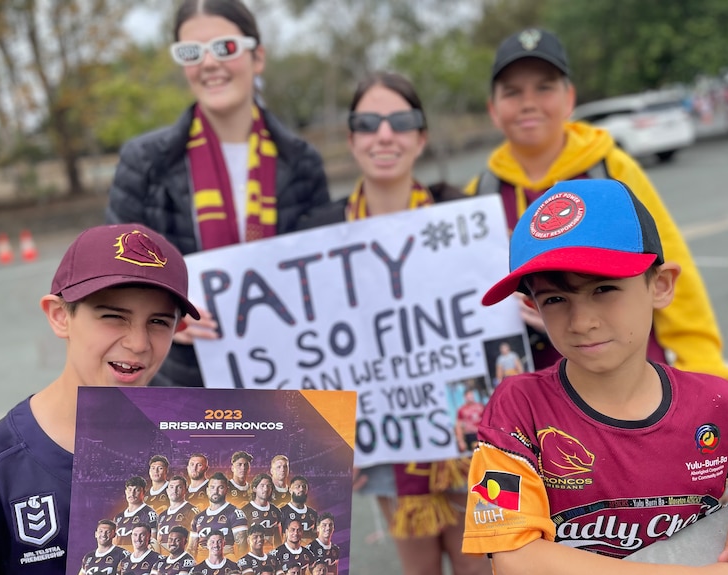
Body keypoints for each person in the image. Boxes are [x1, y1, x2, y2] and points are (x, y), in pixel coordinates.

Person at [462, 178, 728, 574]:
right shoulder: (518, 410)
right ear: (532, 306)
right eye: (556, 299)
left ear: (660, 286)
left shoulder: (715, 403)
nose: (582, 322)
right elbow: (515, 558)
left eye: (604, 289)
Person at [297, 71, 490, 575]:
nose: (385, 134)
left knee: (479, 565)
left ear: (421, 136)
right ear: (351, 138)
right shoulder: (316, 234)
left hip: (467, 429)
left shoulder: (463, 215)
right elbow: (298, 346)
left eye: (401, 121)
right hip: (379, 435)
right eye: (368, 122)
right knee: (419, 566)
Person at [465, 28, 728, 381]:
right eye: (512, 92)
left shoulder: (611, 169)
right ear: (492, 109)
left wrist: (704, 369)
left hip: (631, 383)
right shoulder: (479, 193)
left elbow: (669, 264)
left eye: (544, 87)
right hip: (538, 396)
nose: (528, 102)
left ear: (569, 98)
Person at [105, 0, 329, 388]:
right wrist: (163, 316)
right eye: (191, 52)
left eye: (225, 47)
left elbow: (325, 277)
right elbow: (116, 277)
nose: (209, 63)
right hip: (178, 380)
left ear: (257, 57)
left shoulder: (302, 162)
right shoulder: (145, 163)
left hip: (287, 375)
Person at [0, 223, 198, 574]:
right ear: (60, 316)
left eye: (158, 322)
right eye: (113, 317)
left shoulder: (199, 445)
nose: (138, 343)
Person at [189, 472, 249, 561]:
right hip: (202, 564)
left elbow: (242, 547)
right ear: (207, 490)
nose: (215, 491)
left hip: (225, 562)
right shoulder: (198, 518)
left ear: (226, 490)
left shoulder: (235, 513)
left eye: (220, 487)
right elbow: (191, 549)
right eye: (212, 487)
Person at [114, 475, 160, 552]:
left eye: (137, 490)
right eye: (129, 490)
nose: (132, 493)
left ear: (143, 492)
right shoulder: (119, 517)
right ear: (125, 492)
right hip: (121, 561)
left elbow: (154, 544)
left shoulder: (149, 514)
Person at [157, 475, 201, 553]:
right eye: (171, 487)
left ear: (186, 490)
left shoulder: (192, 511)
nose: (174, 490)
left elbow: (195, 543)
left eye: (179, 487)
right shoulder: (162, 515)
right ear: (167, 491)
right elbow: (158, 540)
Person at [242, 472, 282, 552]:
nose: (266, 489)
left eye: (268, 486)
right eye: (262, 486)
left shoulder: (276, 511)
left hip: (270, 556)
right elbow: (242, 540)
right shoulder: (245, 511)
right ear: (254, 488)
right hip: (253, 556)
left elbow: (278, 539)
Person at [278, 476, 318, 546]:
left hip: (308, 554)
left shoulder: (313, 513)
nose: (301, 489)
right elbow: (278, 539)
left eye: (304, 487)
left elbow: (316, 537)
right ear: (290, 490)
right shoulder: (282, 512)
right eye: (297, 487)